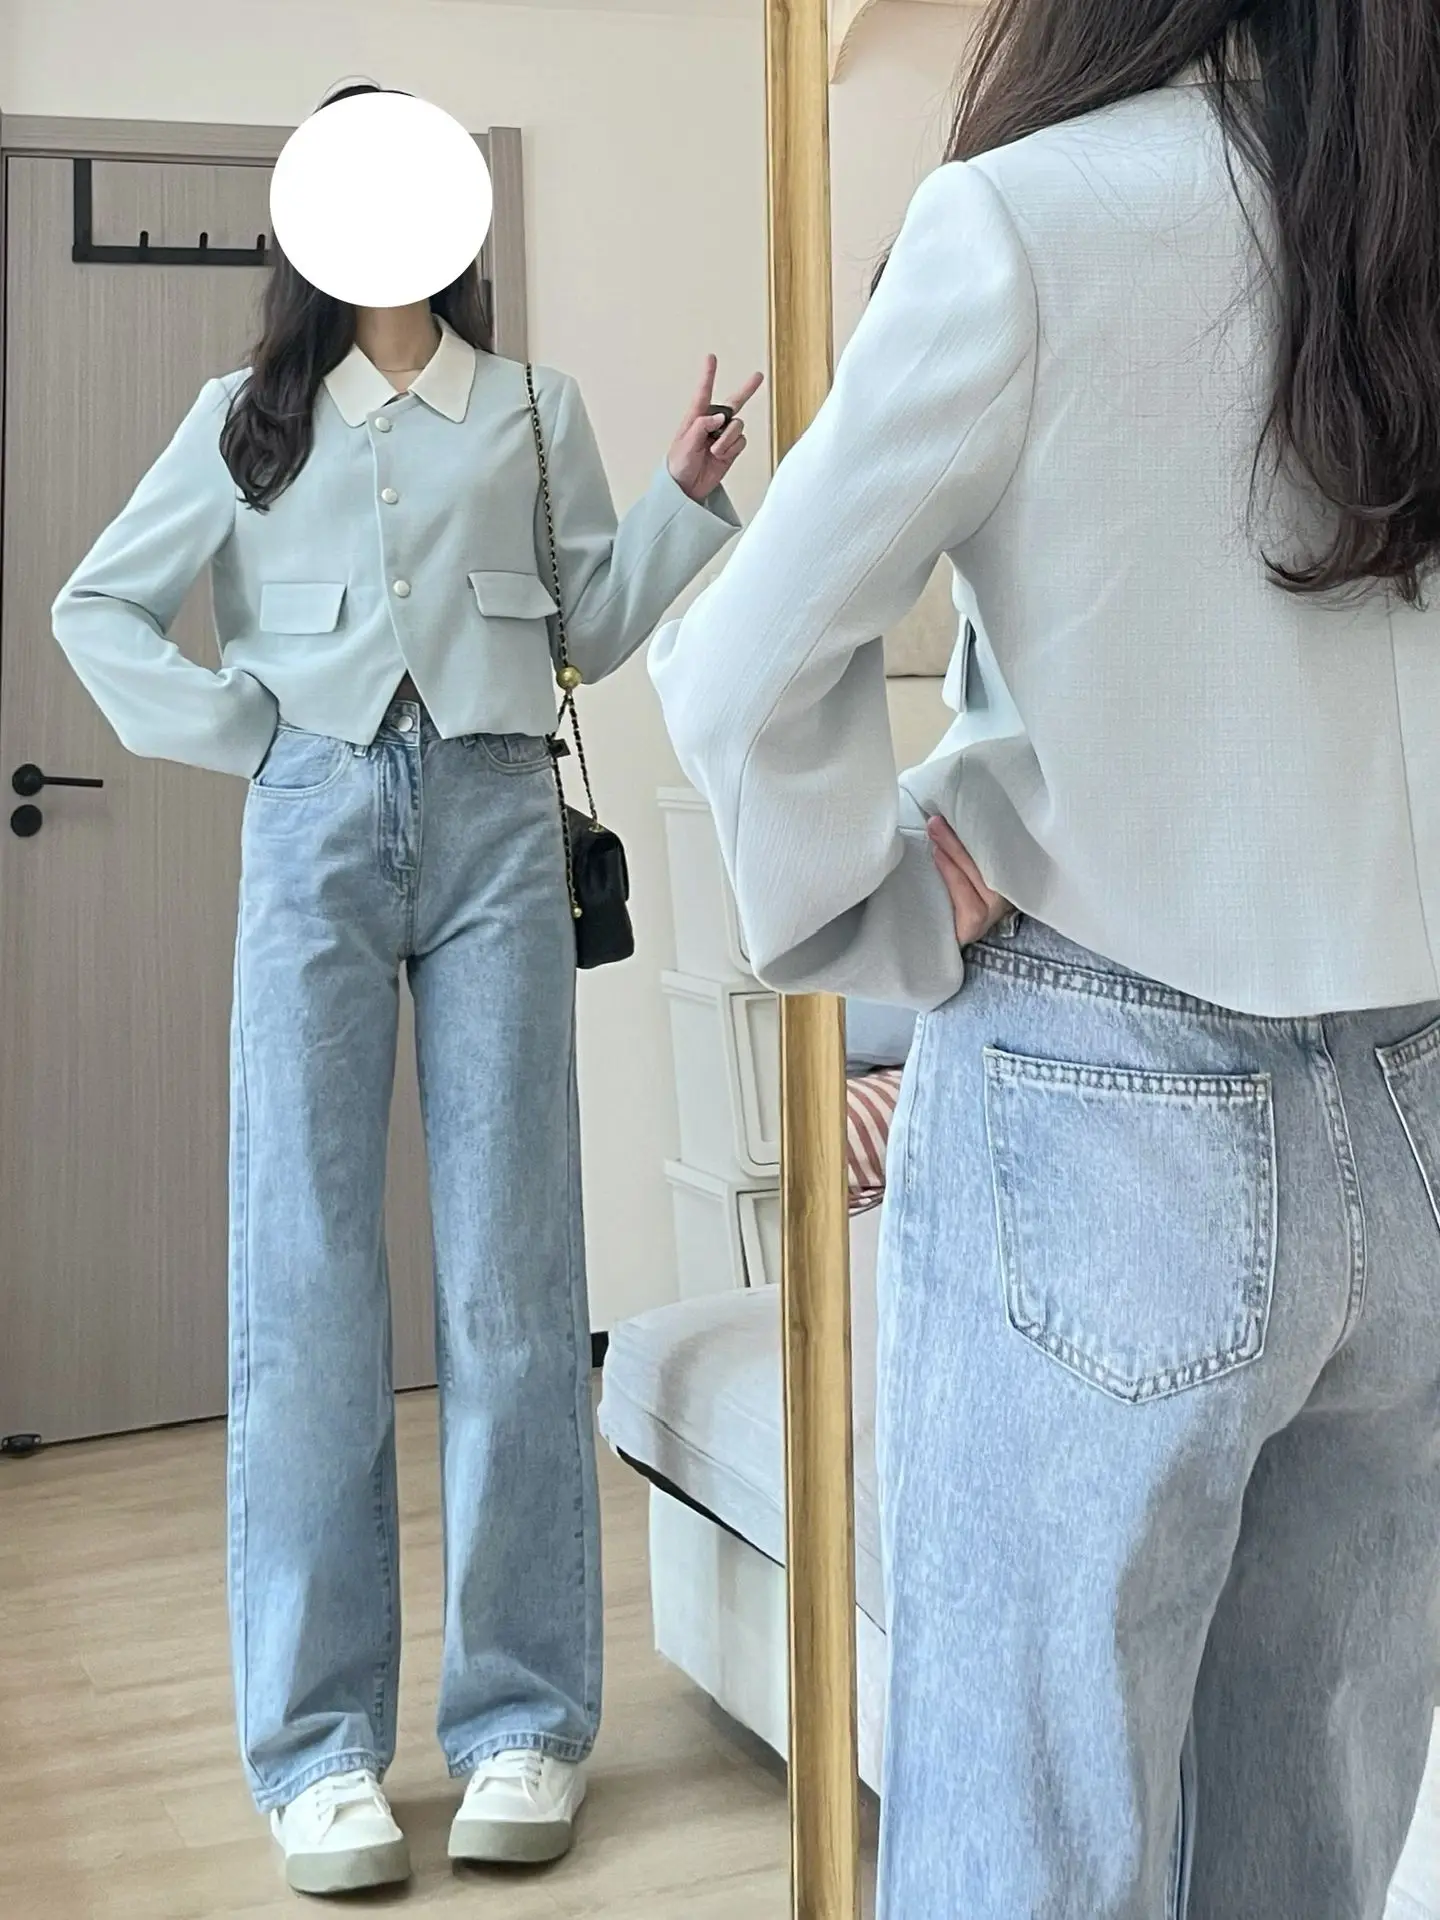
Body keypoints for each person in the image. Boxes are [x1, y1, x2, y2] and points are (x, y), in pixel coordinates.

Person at [649, 3, 1440, 1914]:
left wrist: (890, 892)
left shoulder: (1032, 218)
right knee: (1311, 1856)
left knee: (1027, 1854)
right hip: (1417, 1108)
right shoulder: (1407, 213)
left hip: (1110, 1103)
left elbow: (744, 669)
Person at [52, 78, 760, 1899]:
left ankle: (524, 1724)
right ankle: (316, 1754)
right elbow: (93, 610)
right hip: (311, 830)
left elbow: (591, 624)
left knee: (515, 1277)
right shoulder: (244, 420)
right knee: (305, 1278)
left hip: (503, 824)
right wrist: (254, 735)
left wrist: (685, 501)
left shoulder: (532, 410)